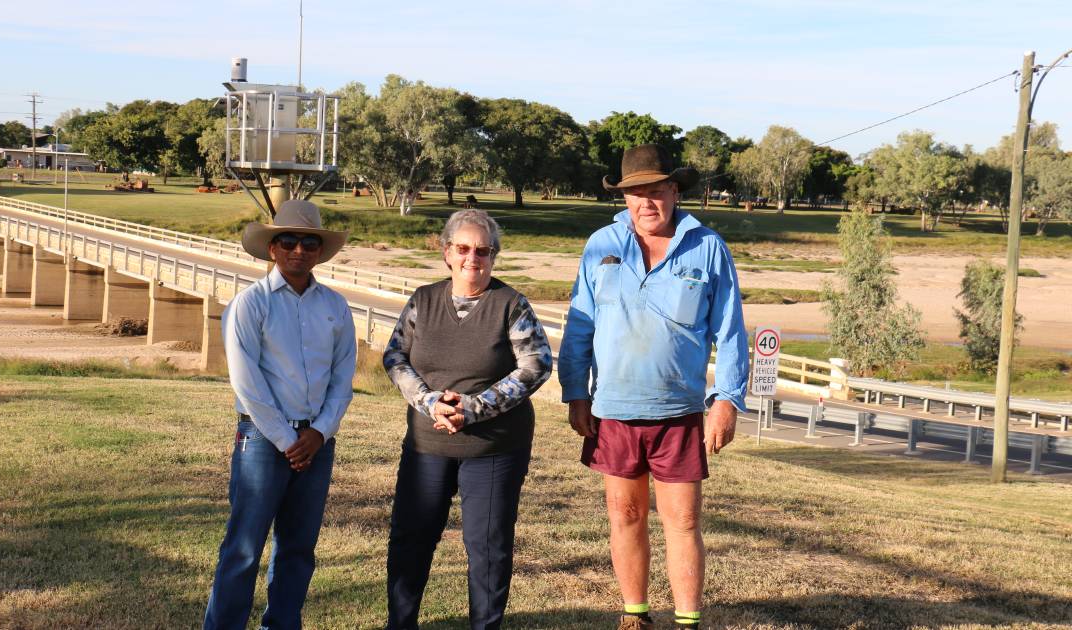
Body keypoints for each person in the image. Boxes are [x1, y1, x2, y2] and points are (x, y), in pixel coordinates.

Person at [558, 144, 749, 630]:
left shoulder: (707, 247)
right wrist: (575, 392)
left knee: (682, 521)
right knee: (624, 514)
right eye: (636, 193)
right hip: (613, 409)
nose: (647, 202)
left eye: (657, 191)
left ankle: (687, 621)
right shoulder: (601, 245)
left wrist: (726, 400)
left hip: (680, 413)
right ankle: (634, 614)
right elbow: (580, 324)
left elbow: (728, 332)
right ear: (624, 198)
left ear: (674, 191)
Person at [382, 209, 553, 630]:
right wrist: (428, 401)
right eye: (462, 248)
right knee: (411, 540)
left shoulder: (511, 304)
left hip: (494, 446)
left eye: (483, 250)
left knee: (488, 547)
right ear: (447, 252)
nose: (472, 258)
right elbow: (395, 356)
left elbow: (536, 365)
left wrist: (475, 408)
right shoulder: (422, 300)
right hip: (427, 444)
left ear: (494, 256)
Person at [203, 200, 357, 630]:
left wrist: (320, 433)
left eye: (309, 242)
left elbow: (343, 378)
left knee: (298, 548)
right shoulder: (248, 306)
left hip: (316, 443)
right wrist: (288, 440)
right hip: (262, 442)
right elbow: (247, 384)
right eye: (288, 240)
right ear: (272, 248)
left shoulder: (335, 306)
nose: (298, 250)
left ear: (319, 250)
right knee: (244, 549)